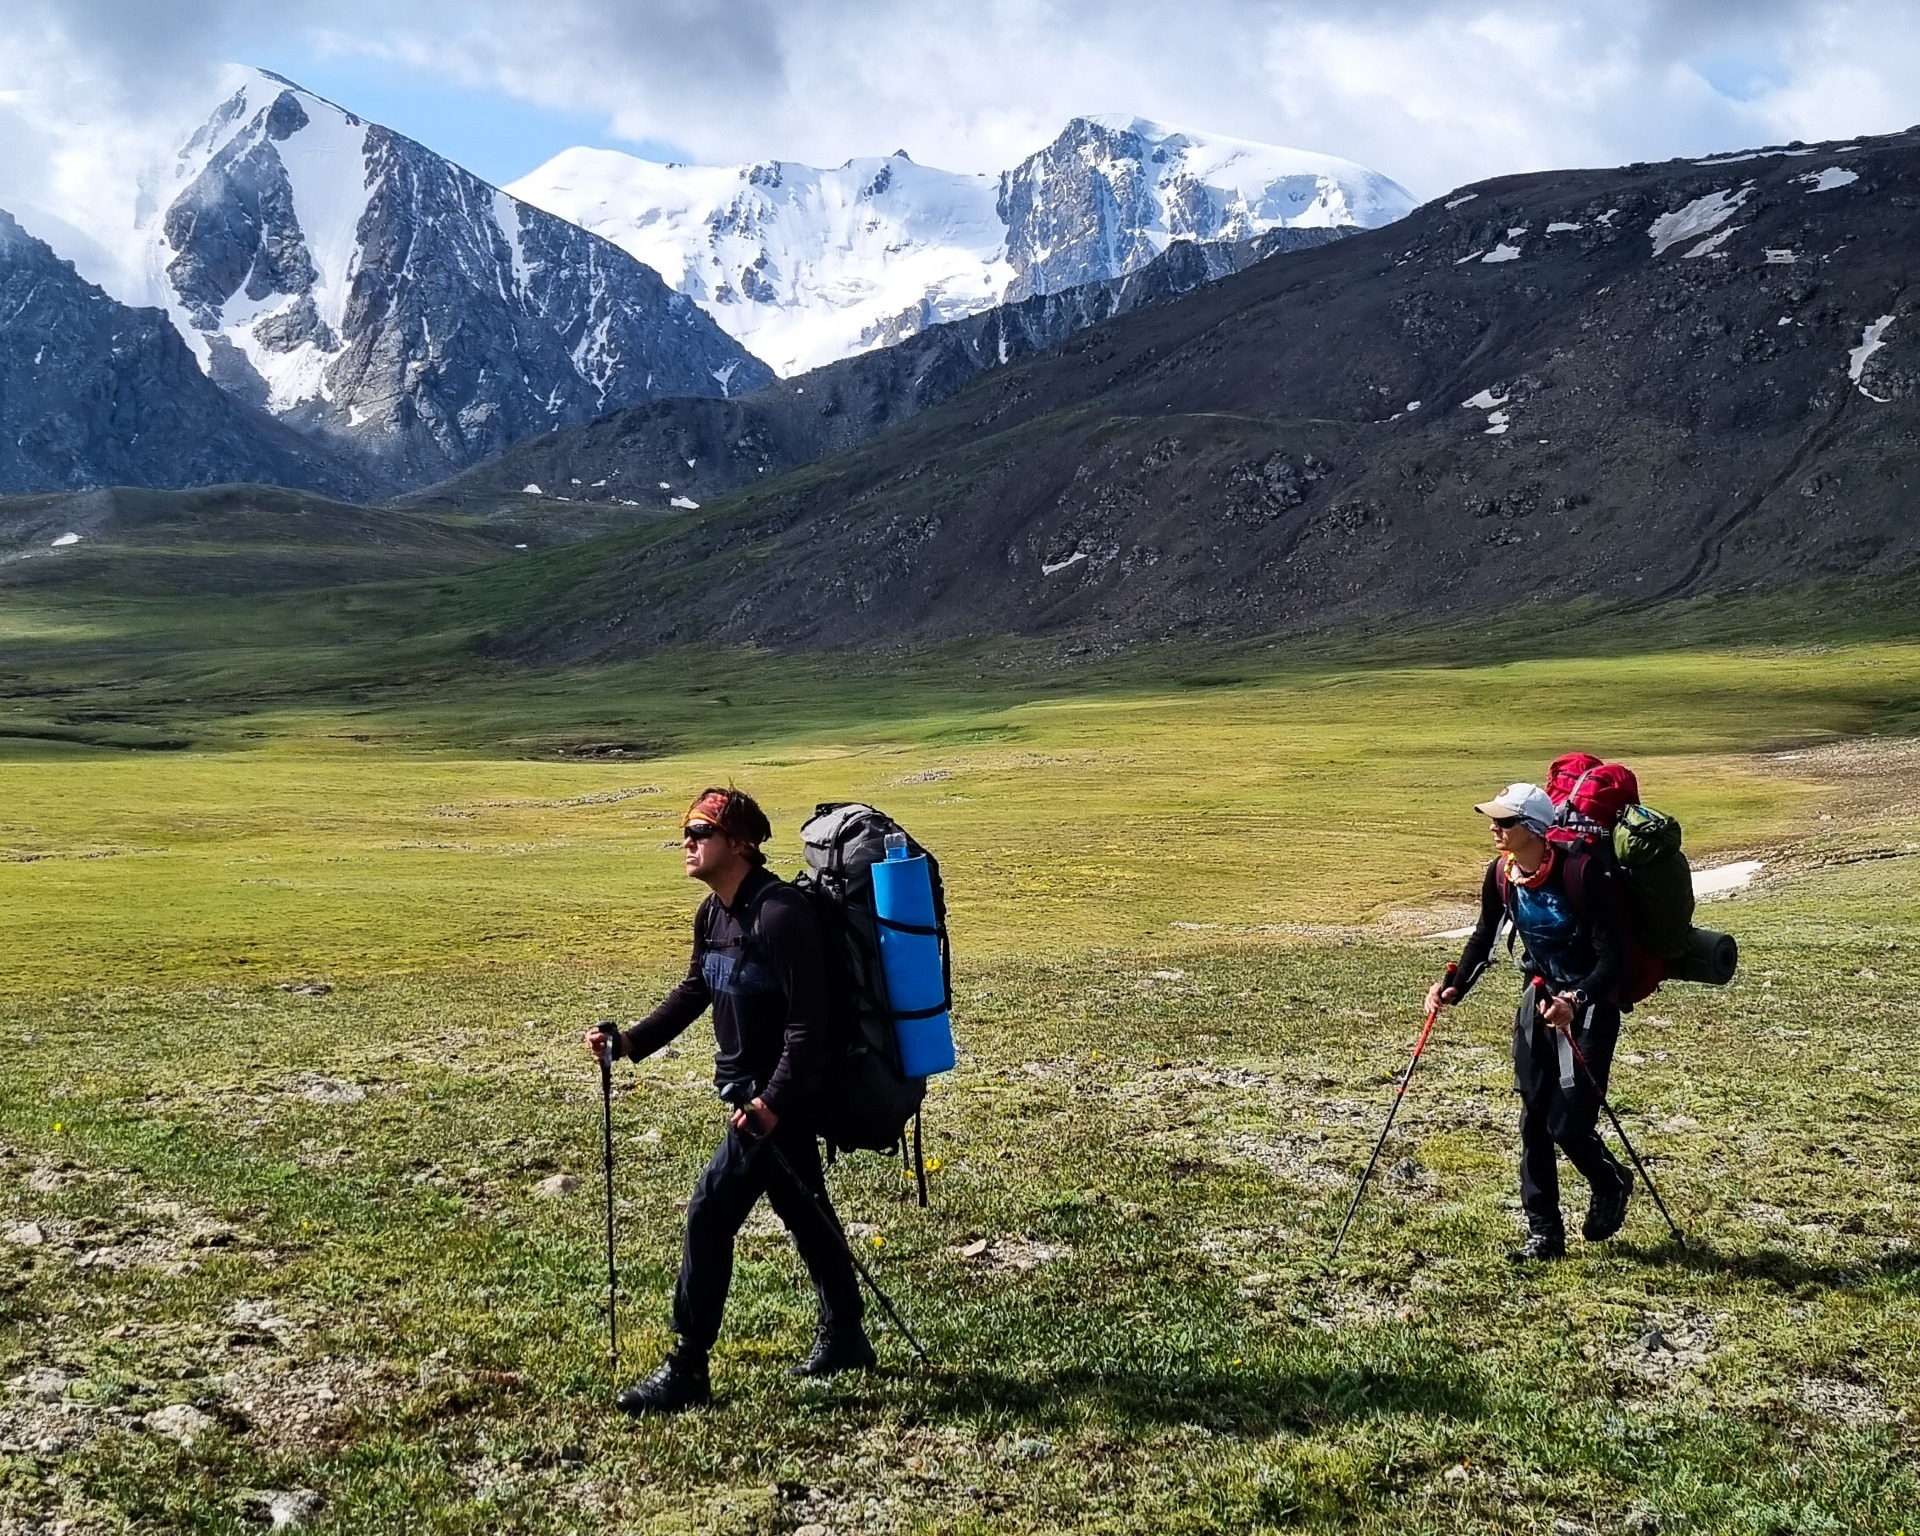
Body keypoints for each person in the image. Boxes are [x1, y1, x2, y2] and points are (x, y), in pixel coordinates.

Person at [585, 787, 871, 1414]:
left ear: (740, 843)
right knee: (805, 1212)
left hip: (776, 1103)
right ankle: (846, 1333)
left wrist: (771, 1104)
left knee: (709, 1214)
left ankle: (688, 1368)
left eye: (700, 831)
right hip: (756, 1098)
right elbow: (695, 991)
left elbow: (810, 1027)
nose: (687, 842)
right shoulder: (714, 915)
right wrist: (629, 1041)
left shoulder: (781, 916)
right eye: (687, 830)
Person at [1425, 782, 1635, 1262]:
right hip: (1537, 1000)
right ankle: (1544, 1234)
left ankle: (1611, 1181)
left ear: (1535, 830)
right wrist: (1455, 985)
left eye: (1505, 821)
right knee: (1533, 1120)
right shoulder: (1501, 875)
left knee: (1570, 1125)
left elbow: (1613, 962)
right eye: (1494, 820)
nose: (1494, 828)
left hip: (1589, 1007)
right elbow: (1485, 935)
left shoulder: (1583, 876)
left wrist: (1575, 1001)